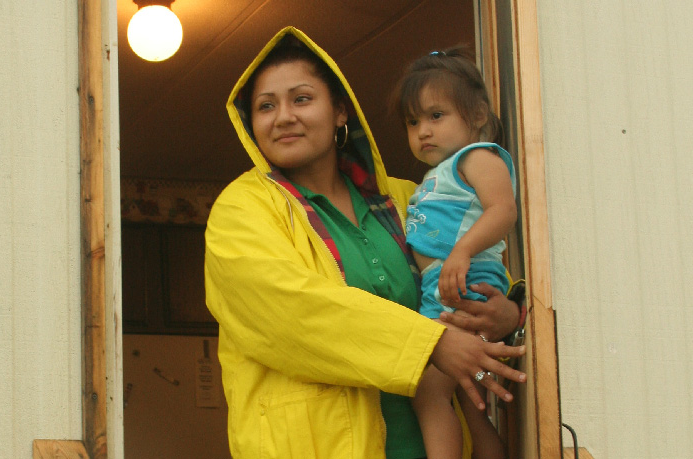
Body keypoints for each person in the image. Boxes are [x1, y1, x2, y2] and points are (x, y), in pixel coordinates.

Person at [204, 27, 525, 459]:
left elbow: (475, 266)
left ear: (340, 111)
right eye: (265, 106)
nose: (283, 117)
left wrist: (506, 311)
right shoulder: (241, 210)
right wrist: (429, 344)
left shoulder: (409, 197)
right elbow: (291, 313)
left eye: (301, 99)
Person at [394, 47, 518, 459]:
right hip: (446, 290)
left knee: (429, 392)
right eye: (413, 122)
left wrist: (462, 251)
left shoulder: (477, 157)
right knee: (468, 399)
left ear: (478, 114)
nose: (423, 131)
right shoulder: (435, 175)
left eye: (435, 115)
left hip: (466, 288)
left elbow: (504, 209)